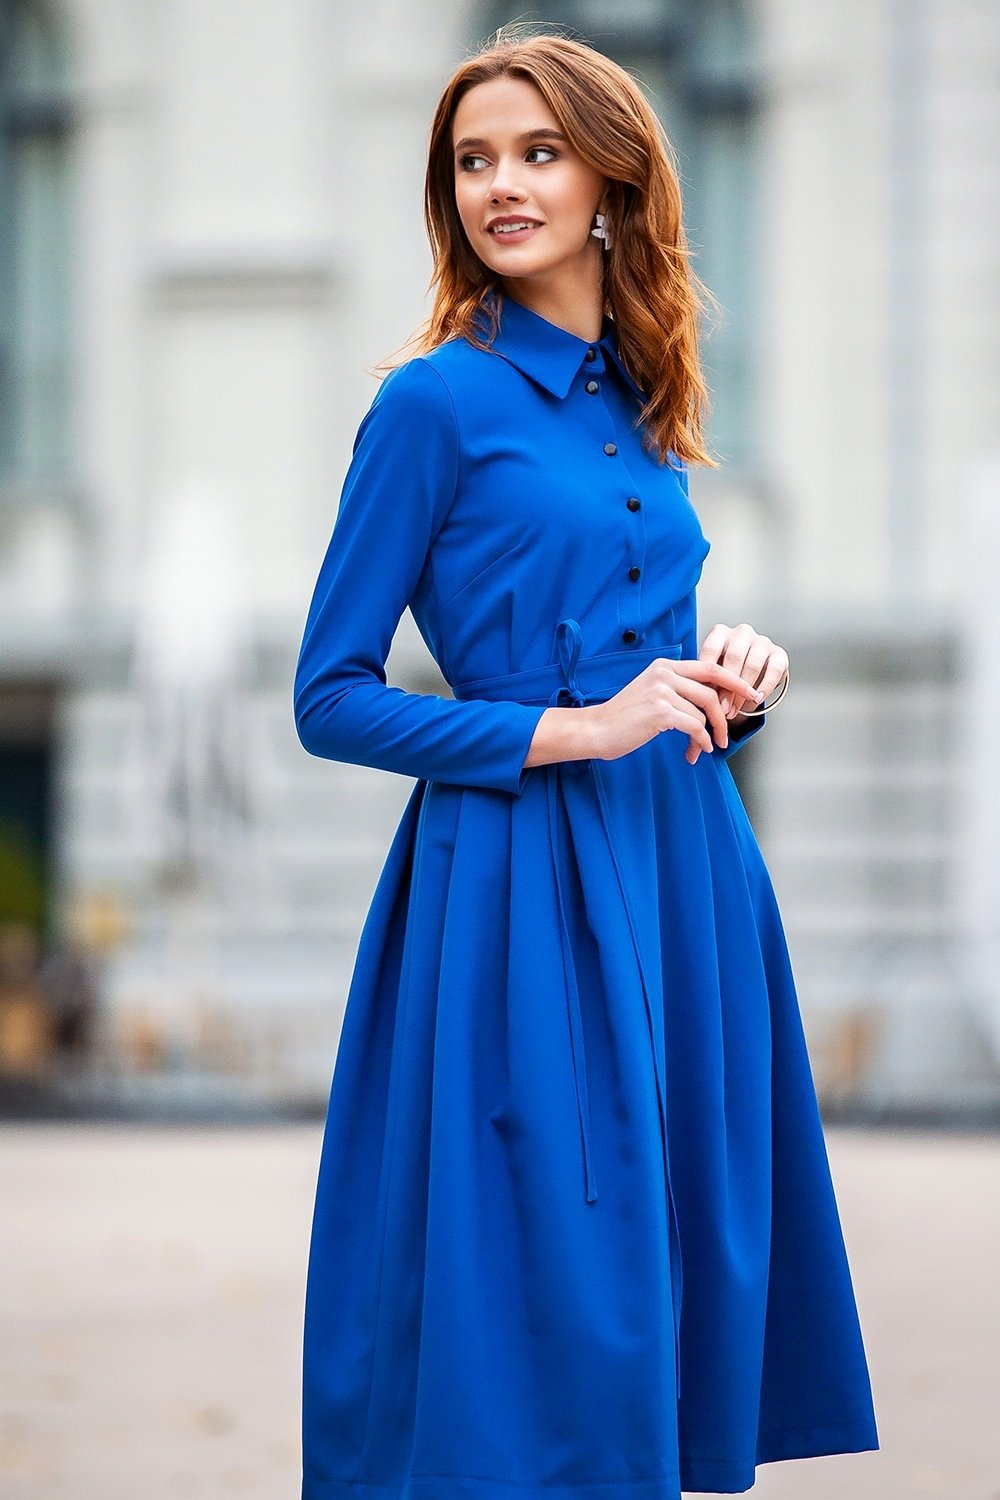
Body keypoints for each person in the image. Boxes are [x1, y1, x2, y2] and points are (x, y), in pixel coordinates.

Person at [293, 27, 879, 1500]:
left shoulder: (641, 399)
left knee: (659, 1281)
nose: (502, 185)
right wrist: (577, 727)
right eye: (474, 161)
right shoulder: (430, 403)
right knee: (546, 1297)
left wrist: (731, 678)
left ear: (614, 181)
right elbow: (330, 697)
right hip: (514, 886)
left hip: (681, 868)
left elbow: (640, 646)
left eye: (538, 152)